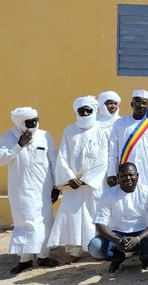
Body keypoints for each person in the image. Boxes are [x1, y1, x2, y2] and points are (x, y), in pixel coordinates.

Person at [0, 107, 59, 274]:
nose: (33, 124)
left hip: (43, 188)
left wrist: (56, 186)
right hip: (21, 189)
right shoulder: (8, 136)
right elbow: (1, 160)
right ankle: (25, 260)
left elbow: (53, 160)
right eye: (29, 122)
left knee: (44, 221)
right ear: (19, 123)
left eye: (35, 120)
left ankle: (44, 256)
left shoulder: (45, 135)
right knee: (24, 222)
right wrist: (19, 145)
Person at [47, 96, 109, 263]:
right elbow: (63, 156)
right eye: (82, 110)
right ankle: (75, 251)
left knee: (93, 215)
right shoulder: (69, 130)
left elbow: (103, 159)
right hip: (72, 185)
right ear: (77, 111)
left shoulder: (101, 131)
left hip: (92, 185)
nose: (86, 113)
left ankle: (96, 248)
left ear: (94, 111)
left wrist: (86, 179)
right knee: (73, 216)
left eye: (89, 110)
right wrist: (70, 178)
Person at [89, 162, 148, 273]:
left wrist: (138, 238)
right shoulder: (108, 195)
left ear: (137, 176)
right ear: (118, 177)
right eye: (124, 176)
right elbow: (99, 224)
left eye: (131, 175)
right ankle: (117, 258)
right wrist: (116, 240)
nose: (128, 178)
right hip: (116, 235)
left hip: (143, 233)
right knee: (95, 247)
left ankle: (145, 258)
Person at [107, 90, 148, 194]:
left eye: (144, 103)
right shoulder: (120, 123)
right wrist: (111, 173)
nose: (141, 105)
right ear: (132, 104)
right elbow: (113, 151)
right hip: (127, 175)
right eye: (137, 102)